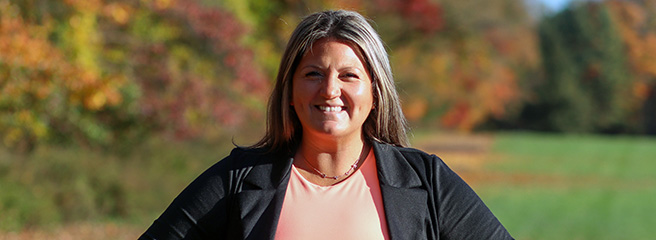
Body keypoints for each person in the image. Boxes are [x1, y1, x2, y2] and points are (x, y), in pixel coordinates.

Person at [140, 10, 512, 240]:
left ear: (375, 92)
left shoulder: (427, 182)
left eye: (349, 75)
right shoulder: (238, 180)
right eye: (313, 74)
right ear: (290, 90)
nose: (330, 90)